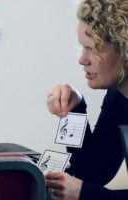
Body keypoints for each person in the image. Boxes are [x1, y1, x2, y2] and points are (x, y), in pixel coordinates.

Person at [45, 0, 128, 199]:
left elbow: (86, 187)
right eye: (83, 47)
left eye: (93, 49)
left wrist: (84, 193)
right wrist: (75, 110)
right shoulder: (118, 96)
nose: (82, 59)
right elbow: (92, 173)